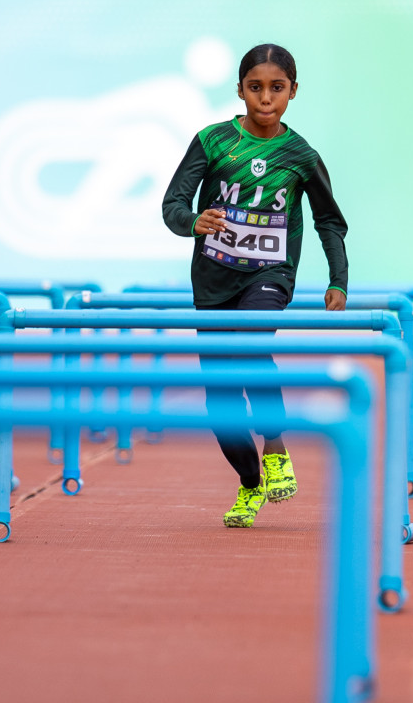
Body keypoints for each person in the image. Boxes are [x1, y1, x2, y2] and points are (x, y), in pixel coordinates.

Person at [161, 43, 349, 528]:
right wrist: (193, 222)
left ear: (293, 92)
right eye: (256, 87)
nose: (266, 98)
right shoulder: (213, 141)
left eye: (277, 88)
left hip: (270, 275)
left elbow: (329, 220)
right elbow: (173, 204)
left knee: (250, 346)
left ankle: (277, 446)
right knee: (220, 400)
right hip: (212, 281)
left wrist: (338, 279)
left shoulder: (300, 155)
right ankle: (250, 484)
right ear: (240, 89)